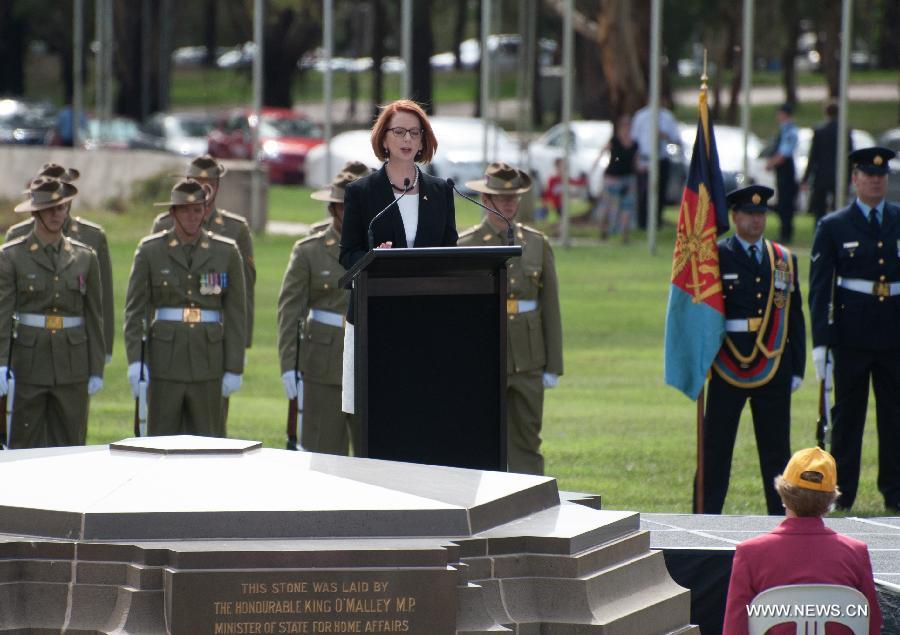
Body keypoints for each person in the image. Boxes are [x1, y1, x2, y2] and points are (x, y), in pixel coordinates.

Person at [338, 99, 458, 414]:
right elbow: (347, 254)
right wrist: (371, 258)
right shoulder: (361, 192)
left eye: (414, 133)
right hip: (375, 317)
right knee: (378, 414)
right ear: (384, 138)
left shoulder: (441, 190)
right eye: (400, 132)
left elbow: (450, 252)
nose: (407, 140)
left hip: (427, 318)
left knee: (422, 414)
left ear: (423, 141)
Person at [697, 185, 805, 515]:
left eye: (761, 214)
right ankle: (704, 518)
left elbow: (795, 317)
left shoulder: (784, 259)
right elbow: (703, 313)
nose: (756, 220)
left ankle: (781, 520)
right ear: (734, 216)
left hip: (773, 363)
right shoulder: (715, 256)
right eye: (749, 213)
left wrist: (797, 367)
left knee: (776, 452)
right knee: (715, 451)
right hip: (727, 362)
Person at [808, 145, 900, 511]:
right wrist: (821, 344)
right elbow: (819, 289)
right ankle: (842, 491)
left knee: (894, 417)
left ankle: (895, 491)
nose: (875, 181)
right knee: (847, 418)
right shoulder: (834, 226)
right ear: (855, 179)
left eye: (881, 176)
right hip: (851, 336)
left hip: (895, 334)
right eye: (868, 175)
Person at [458, 162, 563, 475]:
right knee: (479, 440)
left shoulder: (536, 243)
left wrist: (553, 365)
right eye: (502, 199)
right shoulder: (466, 245)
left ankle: (533, 511)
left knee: (527, 442)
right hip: (484, 355)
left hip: (528, 356)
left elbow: (550, 305)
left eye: (514, 198)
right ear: (486, 200)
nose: (510, 205)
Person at [123, 179, 246, 437]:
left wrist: (234, 366)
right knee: (161, 438)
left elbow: (236, 314)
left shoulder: (225, 251)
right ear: (173, 213)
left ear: (205, 211)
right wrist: (136, 360)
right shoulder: (150, 250)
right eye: (185, 210)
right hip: (164, 359)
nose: (192, 216)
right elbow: (135, 310)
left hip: (209, 358)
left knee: (209, 439)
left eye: (197, 210)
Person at [723, 447, 882, 635]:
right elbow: (872, 625)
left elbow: (734, 629)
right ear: (830, 499)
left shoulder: (750, 553)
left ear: (784, 494)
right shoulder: (856, 553)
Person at [0, 177, 104, 448]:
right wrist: (1, 363)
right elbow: (2, 315)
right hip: (29, 363)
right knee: (25, 442)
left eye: (61, 208)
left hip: (72, 362)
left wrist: (96, 368)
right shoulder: (12, 256)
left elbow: (94, 316)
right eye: (49, 209)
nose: (57, 215)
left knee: (71, 442)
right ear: (35, 212)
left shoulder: (85, 257)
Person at [277, 164, 371, 454]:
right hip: (323, 362)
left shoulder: (380, 248)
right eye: (346, 207)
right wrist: (289, 366)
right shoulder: (310, 250)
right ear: (333, 209)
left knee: (374, 455)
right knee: (323, 450)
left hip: (368, 358)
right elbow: (290, 312)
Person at [6, 164, 115, 366]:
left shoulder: (92, 235)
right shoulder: (17, 236)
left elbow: (102, 299)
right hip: (28, 346)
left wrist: (104, 347)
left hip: (73, 345)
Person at [152, 155, 256, 349]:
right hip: (168, 334)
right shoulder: (164, 224)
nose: (204, 190)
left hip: (215, 335)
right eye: (198, 184)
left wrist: (242, 342)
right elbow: (149, 284)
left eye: (210, 184)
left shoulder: (235, 229)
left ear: (218, 186)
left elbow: (244, 291)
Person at [631, 98, 681, 230]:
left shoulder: (667, 117)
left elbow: (676, 138)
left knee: (660, 191)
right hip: (645, 158)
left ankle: (656, 221)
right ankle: (642, 222)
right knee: (643, 191)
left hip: (661, 158)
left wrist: (665, 135)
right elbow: (634, 138)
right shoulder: (641, 116)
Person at [802, 100, 852, 222]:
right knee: (839, 207)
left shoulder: (820, 131)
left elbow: (813, 156)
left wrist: (806, 178)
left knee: (819, 209)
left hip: (821, 175)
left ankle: (820, 231)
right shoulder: (845, 131)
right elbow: (850, 156)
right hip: (839, 175)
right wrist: (849, 177)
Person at [593, 113, 638, 242]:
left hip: (628, 178)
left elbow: (635, 161)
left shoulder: (635, 144)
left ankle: (624, 234)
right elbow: (602, 152)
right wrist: (594, 168)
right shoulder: (614, 141)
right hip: (612, 178)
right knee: (607, 206)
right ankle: (604, 231)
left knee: (627, 207)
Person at [765, 103, 799, 244]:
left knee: (786, 203)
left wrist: (771, 163)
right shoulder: (784, 129)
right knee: (783, 201)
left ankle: (786, 234)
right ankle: (784, 232)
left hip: (786, 170)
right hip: (782, 170)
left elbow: (785, 153)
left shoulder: (790, 131)